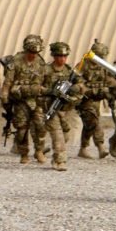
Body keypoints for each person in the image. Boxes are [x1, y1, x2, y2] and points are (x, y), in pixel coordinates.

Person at [1, 36, 48, 164]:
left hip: (36, 99)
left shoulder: (41, 63)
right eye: (31, 52)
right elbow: (8, 82)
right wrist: (4, 97)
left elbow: (45, 81)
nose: (33, 55)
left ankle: (39, 151)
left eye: (36, 53)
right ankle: (24, 153)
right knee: (22, 129)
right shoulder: (15, 62)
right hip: (20, 100)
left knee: (40, 126)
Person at [41, 41, 84, 171]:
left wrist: (72, 89)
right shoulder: (45, 70)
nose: (62, 59)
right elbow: (36, 87)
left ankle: (54, 154)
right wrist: (50, 91)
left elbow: (81, 86)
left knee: (65, 135)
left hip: (65, 110)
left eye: (65, 56)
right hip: (50, 107)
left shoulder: (70, 71)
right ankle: (60, 161)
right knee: (57, 134)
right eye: (59, 56)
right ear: (54, 56)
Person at [77, 40, 116, 159]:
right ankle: (101, 147)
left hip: (97, 100)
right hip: (84, 100)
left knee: (90, 124)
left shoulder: (103, 67)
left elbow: (110, 81)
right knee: (94, 121)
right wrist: (91, 90)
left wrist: (111, 93)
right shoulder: (82, 65)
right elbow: (76, 83)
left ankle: (83, 148)